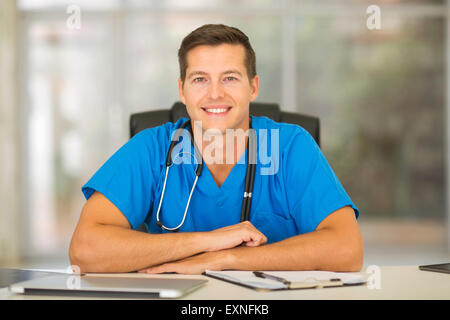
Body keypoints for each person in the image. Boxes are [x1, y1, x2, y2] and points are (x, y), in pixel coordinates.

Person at [69, 24, 363, 274]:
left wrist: (227, 258)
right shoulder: (151, 149)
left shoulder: (290, 147)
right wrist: (208, 241)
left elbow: (347, 249)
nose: (215, 93)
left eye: (230, 78)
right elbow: (85, 251)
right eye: (200, 79)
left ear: (253, 87)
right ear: (182, 90)